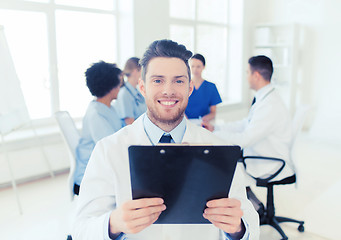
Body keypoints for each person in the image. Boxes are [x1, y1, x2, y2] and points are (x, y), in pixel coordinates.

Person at [72, 40, 259, 240]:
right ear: (142, 88)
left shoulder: (220, 149)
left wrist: (238, 229)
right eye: (158, 80)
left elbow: (250, 224)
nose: (168, 90)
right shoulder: (108, 150)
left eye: (178, 81)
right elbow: (81, 230)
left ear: (189, 88)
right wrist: (113, 224)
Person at [205, 55, 294, 184]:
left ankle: (247, 202)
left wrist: (214, 134)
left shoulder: (270, 105)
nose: (246, 77)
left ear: (256, 75)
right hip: (260, 153)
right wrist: (216, 128)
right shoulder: (265, 98)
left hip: (268, 163)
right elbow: (246, 123)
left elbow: (244, 140)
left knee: (219, 168)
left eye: (247, 73)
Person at [73, 61, 125, 195]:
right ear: (111, 86)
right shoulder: (96, 114)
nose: (121, 86)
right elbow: (110, 149)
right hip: (90, 178)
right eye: (119, 83)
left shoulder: (109, 108)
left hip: (104, 169)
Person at [185, 53, 222, 124]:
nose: (195, 69)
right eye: (192, 66)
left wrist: (206, 118)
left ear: (203, 67)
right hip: (186, 124)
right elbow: (178, 108)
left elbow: (213, 112)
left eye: (198, 66)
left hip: (204, 124)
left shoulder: (211, 87)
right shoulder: (184, 86)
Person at [114, 57, 147, 125]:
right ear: (135, 71)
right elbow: (130, 123)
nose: (144, 75)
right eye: (142, 71)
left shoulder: (136, 92)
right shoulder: (124, 94)